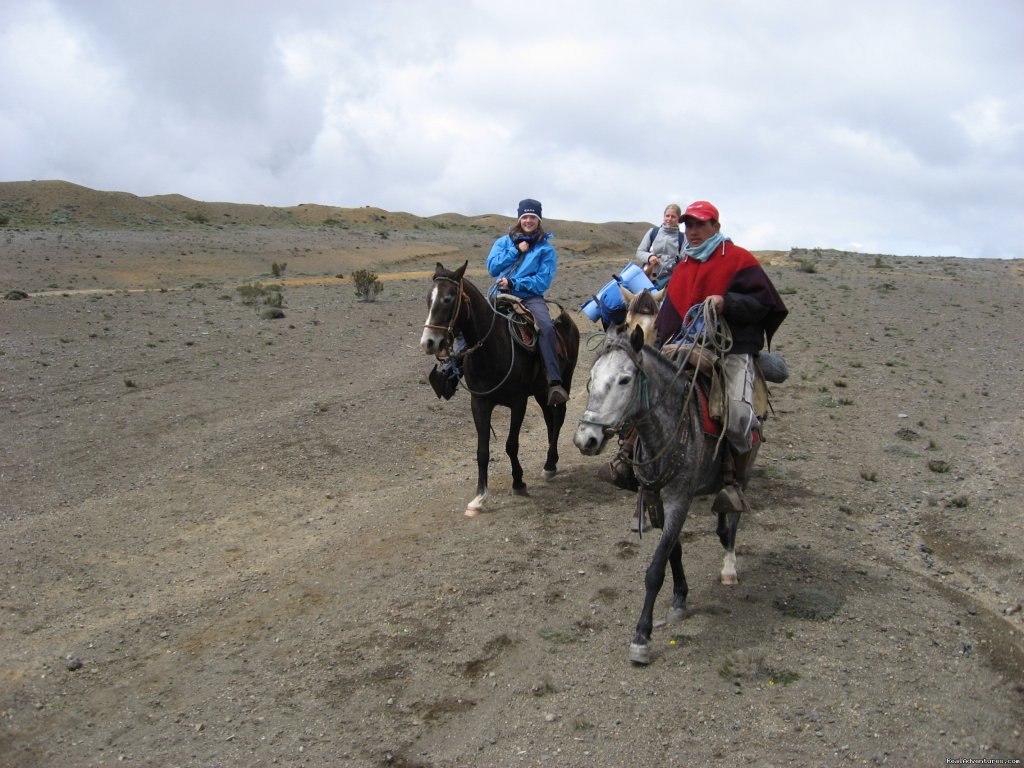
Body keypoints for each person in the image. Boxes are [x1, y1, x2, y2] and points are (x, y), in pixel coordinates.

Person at [600, 200, 788, 523]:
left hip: (729, 350)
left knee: (740, 414)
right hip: (683, 346)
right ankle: (628, 457)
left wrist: (726, 302)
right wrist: (653, 348)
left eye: (700, 224)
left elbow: (763, 303)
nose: (693, 231)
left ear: (716, 226)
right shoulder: (685, 266)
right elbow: (669, 316)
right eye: (689, 226)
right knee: (642, 390)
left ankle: (733, 484)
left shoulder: (739, 260)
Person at [428, 199, 568, 407]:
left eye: (533, 217)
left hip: (530, 297)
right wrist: (516, 250)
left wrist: (514, 282)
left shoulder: (546, 250)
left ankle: (554, 382)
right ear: (519, 218)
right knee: (470, 320)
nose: (528, 221)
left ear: (539, 220)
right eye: (525, 217)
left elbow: (542, 281)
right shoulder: (504, 242)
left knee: (546, 327)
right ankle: (451, 372)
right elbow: (493, 267)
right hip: (500, 294)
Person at [635, 203, 685, 287]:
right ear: (664, 216)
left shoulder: (683, 238)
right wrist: (649, 257)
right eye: (667, 216)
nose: (669, 219)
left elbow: (684, 261)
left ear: (678, 219)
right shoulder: (653, 232)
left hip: (670, 283)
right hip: (648, 279)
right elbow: (639, 252)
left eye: (673, 216)